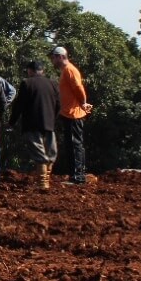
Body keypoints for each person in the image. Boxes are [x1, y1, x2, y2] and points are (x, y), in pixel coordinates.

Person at [8, 60, 60, 190]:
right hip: (49, 123)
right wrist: (53, 117)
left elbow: (19, 105)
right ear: (42, 71)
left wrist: (12, 122)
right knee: (51, 153)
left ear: (30, 71)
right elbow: (59, 104)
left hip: (32, 124)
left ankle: (43, 183)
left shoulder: (27, 83)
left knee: (39, 153)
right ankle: (46, 178)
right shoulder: (53, 83)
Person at [50, 45, 93, 185]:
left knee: (75, 145)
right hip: (67, 113)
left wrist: (83, 103)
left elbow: (78, 88)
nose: (53, 60)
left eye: (54, 57)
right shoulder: (65, 71)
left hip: (74, 114)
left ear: (61, 57)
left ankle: (78, 177)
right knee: (70, 145)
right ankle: (73, 175)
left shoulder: (70, 70)